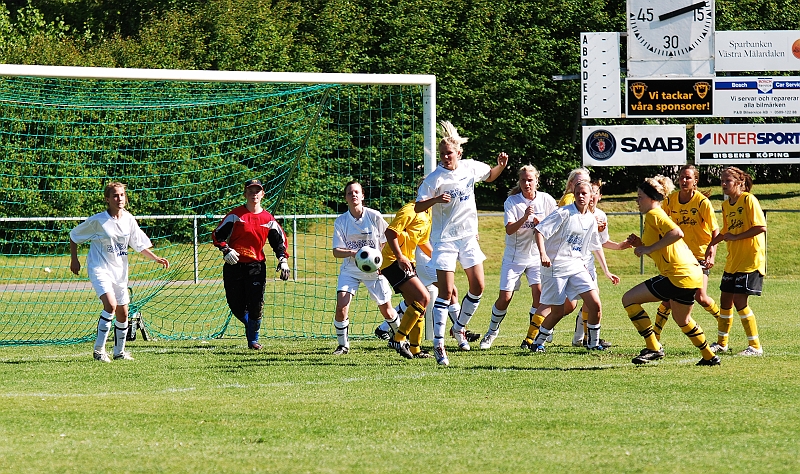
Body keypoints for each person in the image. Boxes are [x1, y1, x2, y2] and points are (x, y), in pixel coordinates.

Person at [415, 120, 508, 366]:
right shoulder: (435, 178)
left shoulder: (469, 168)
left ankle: (459, 327)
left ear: (459, 153)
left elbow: (489, 177)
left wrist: (499, 167)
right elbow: (418, 206)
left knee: (478, 286)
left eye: (450, 153)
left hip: (467, 238)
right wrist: (434, 200)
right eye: (443, 154)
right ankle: (438, 345)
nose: (446, 157)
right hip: (444, 240)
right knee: (446, 293)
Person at [622, 175, 720, 366]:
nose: (637, 201)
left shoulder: (654, 214)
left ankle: (654, 347)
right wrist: (642, 245)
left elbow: (677, 233)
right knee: (683, 319)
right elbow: (662, 251)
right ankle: (709, 356)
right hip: (690, 274)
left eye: (640, 196)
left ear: (652, 199)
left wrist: (647, 248)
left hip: (678, 274)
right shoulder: (655, 216)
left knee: (629, 299)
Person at [70, 182, 170, 362]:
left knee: (123, 313)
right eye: (115, 195)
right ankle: (99, 350)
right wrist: (74, 259)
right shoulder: (98, 221)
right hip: (99, 268)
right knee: (110, 305)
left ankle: (119, 352)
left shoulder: (129, 219)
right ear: (107, 199)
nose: (119, 199)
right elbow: (74, 235)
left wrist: (155, 258)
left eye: (122, 195)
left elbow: (138, 244)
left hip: (119, 272)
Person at [525, 180, 618, 353]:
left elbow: (593, 245)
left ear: (592, 196)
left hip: (576, 266)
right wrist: (543, 254)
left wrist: (603, 268)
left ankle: (593, 343)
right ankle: (538, 342)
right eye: (578, 193)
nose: (581, 196)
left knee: (595, 303)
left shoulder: (591, 219)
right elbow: (539, 230)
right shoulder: (564, 213)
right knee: (558, 312)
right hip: (556, 267)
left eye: (585, 193)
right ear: (574, 195)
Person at [479, 165, 557, 350]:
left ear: (537, 180)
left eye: (530, 180)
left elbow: (557, 222)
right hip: (514, 257)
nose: (527, 183)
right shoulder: (512, 201)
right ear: (519, 182)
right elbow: (509, 229)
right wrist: (525, 218)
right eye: (523, 180)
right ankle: (491, 332)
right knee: (505, 298)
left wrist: (543, 223)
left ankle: (533, 335)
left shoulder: (546, 199)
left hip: (536, 257)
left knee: (539, 295)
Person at [212, 178, 291, 350]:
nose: (254, 194)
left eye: (257, 191)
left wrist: (283, 260)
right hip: (234, 266)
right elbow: (217, 235)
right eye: (250, 190)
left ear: (262, 194)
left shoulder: (268, 219)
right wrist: (226, 249)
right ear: (245, 193)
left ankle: (253, 340)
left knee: (256, 305)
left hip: (256, 267)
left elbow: (280, 242)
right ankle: (252, 328)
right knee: (236, 306)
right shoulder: (235, 215)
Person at [331, 180, 400, 355]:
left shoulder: (374, 216)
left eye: (356, 192)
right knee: (341, 307)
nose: (353, 195)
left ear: (362, 196)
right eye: (349, 193)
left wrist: (378, 261)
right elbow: (336, 251)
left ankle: (400, 338)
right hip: (350, 270)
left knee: (387, 310)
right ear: (346, 198)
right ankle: (343, 345)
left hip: (374, 270)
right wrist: (354, 253)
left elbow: (387, 239)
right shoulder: (341, 221)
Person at [653, 165, 721, 341]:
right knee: (667, 298)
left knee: (701, 297)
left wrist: (711, 252)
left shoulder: (701, 202)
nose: (684, 181)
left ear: (695, 181)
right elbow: (661, 225)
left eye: (688, 178)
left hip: (698, 256)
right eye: (682, 177)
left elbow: (715, 230)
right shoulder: (670, 201)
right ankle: (655, 338)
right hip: (678, 257)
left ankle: (722, 321)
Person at [705, 166, 767, 356]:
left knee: (740, 300)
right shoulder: (726, 205)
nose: (723, 184)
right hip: (733, 261)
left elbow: (761, 227)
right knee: (725, 300)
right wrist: (711, 245)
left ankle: (755, 347)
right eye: (722, 181)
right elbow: (726, 231)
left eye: (727, 181)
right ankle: (722, 343)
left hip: (750, 259)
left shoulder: (748, 200)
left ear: (739, 182)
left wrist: (735, 237)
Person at [571, 179, 630, 348]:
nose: (592, 197)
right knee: (565, 305)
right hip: (571, 260)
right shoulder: (574, 213)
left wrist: (620, 246)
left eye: (595, 193)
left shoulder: (600, 216)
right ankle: (542, 334)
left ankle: (584, 338)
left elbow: (601, 243)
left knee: (592, 299)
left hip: (587, 262)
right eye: (590, 193)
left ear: (598, 196)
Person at [378, 200, 434, 359]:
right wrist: (400, 257)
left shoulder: (428, 213)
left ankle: (416, 349)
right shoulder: (410, 210)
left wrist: (439, 258)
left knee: (417, 305)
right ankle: (398, 338)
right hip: (393, 261)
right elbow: (390, 232)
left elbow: (423, 242)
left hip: (406, 261)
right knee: (424, 297)